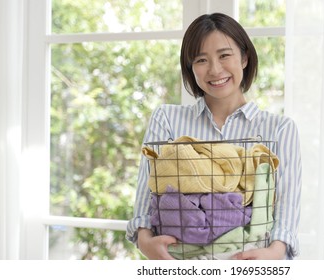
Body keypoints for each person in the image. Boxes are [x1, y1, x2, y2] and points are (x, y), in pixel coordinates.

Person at [126, 12, 302, 260]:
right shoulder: (167, 119)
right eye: (201, 60)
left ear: (244, 58)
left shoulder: (280, 129)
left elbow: (287, 204)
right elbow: (148, 191)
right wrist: (145, 240)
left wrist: (275, 252)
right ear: (191, 67)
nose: (215, 69)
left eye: (224, 55)